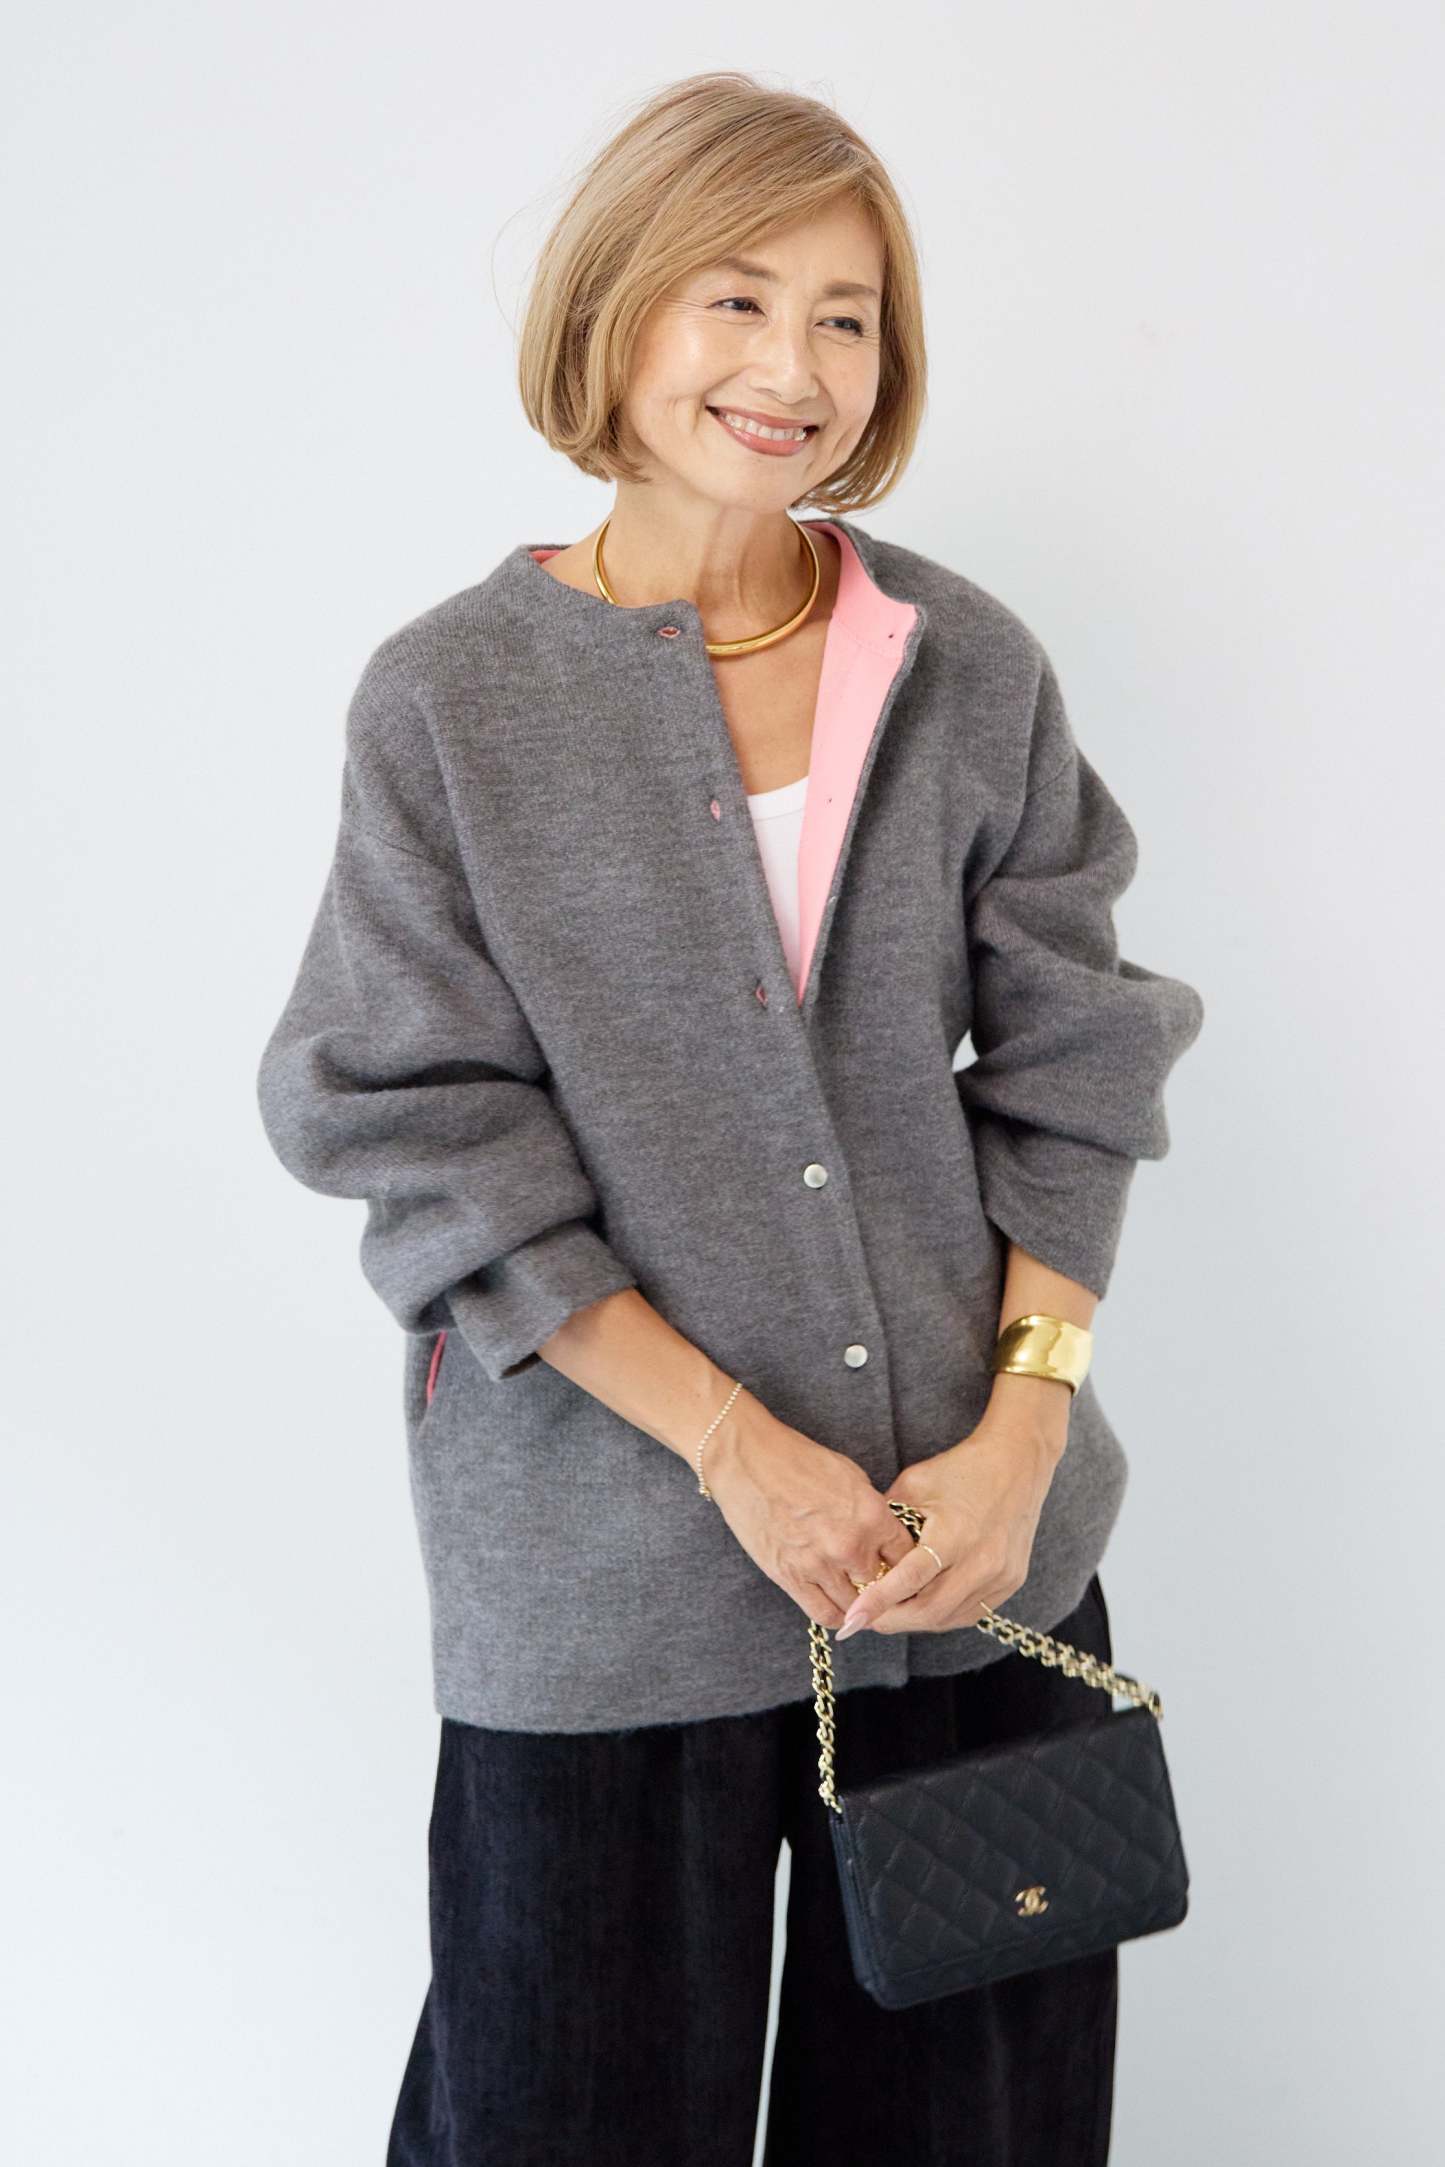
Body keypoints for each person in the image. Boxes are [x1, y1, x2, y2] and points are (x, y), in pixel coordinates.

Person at [256, 68, 1205, 2167]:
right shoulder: (450, 700)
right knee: (564, 2118)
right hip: (603, 1577)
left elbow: (1078, 1057)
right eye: (738, 299)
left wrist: (1022, 1434)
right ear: (617, 312)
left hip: (961, 1557)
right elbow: (412, 1117)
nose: (793, 368)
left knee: (972, 2132)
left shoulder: (963, 665)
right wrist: (729, 1445)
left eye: (845, 317)